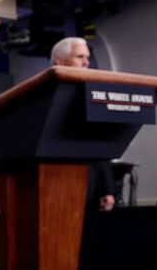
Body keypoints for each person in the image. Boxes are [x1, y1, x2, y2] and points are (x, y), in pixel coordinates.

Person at [49, 37, 115, 213]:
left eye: (87, 57)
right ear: (60, 61)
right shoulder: (43, 95)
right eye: (79, 57)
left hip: (90, 186)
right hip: (53, 184)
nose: (86, 63)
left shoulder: (93, 94)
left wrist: (107, 188)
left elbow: (99, 144)